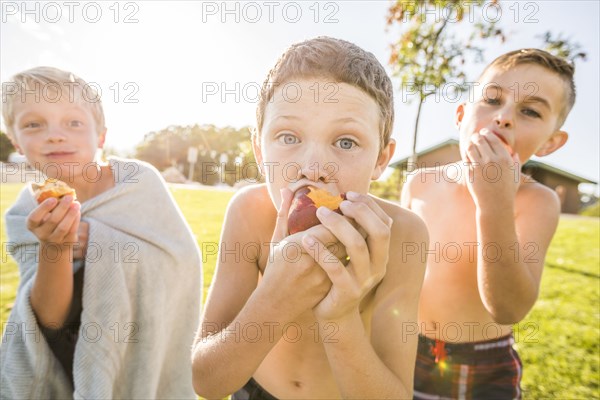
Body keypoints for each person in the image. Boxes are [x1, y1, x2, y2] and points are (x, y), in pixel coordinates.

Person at [191, 36, 428, 399]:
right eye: (288, 137)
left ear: (381, 158)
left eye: (345, 142)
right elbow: (207, 381)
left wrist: (339, 317)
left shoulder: (403, 236)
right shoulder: (249, 214)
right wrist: (275, 298)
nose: (313, 168)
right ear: (259, 149)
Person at [0, 66, 201, 399]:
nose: (55, 135)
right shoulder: (25, 213)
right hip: (67, 359)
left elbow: (181, 261)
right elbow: (49, 320)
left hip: (138, 347)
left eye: (74, 122)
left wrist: (101, 242)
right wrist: (55, 248)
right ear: (16, 142)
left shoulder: (137, 182)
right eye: (34, 124)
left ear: (102, 136)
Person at [401, 49, 574, 399]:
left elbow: (508, 308)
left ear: (551, 142)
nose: (504, 117)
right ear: (462, 115)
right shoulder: (419, 182)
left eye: (530, 111)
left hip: (482, 362)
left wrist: (494, 204)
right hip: (407, 350)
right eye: (492, 99)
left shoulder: (538, 201)